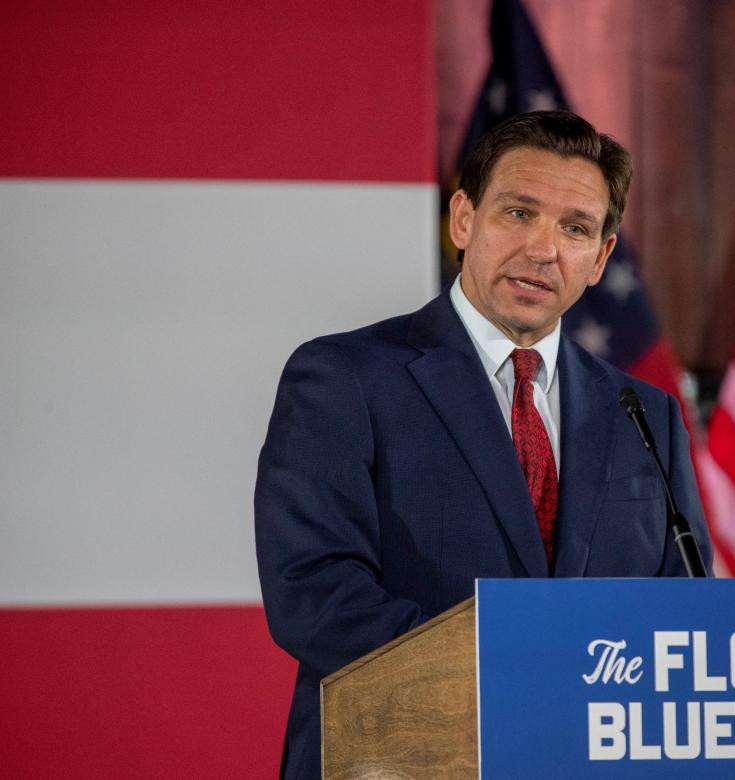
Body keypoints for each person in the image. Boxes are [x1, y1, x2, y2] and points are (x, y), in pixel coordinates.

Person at [254, 110, 711, 779]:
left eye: (575, 228)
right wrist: (518, 677)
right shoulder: (344, 379)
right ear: (463, 220)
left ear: (600, 259)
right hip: (400, 758)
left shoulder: (646, 413)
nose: (543, 249)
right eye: (520, 213)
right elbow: (314, 594)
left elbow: (683, 608)